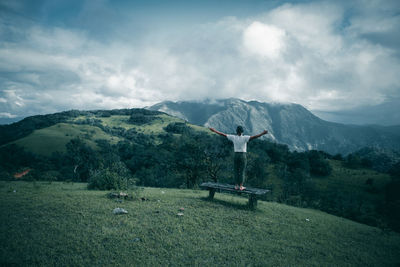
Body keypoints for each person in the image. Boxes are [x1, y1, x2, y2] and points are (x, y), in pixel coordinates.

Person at [209, 126, 268, 190]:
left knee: (236, 170)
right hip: (242, 155)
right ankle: (241, 186)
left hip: (236, 155)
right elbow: (254, 137)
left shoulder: (233, 137)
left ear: (236, 131)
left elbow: (223, 134)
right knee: (242, 171)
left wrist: (214, 131)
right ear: (242, 132)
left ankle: (236, 185)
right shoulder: (245, 138)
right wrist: (262, 133)